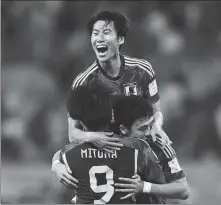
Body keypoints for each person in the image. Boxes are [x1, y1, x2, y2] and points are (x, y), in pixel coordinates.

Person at [52, 10, 173, 187]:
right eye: (95, 33)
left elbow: (157, 112)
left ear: (120, 39)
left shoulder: (142, 70)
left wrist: (156, 127)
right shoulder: (83, 82)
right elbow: (73, 134)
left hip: (141, 154)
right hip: (105, 158)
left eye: (106, 32)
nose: (99, 38)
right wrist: (94, 137)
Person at [58, 87, 166, 204]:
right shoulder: (137, 148)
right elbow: (160, 182)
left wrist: (56, 164)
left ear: (82, 122)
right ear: (111, 116)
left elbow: (61, 156)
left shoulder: (69, 153)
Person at [112, 96, 190, 202]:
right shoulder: (107, 144)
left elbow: (183, 190)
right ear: (123, 129)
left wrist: (143, 187)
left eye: (150, 125)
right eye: (142, 128)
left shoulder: (159, 145)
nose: (149, 132)